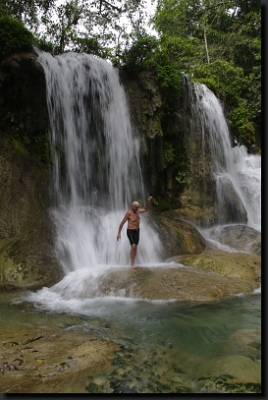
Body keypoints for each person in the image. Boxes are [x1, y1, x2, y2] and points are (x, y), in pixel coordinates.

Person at [117, 196, 153, 269]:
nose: (137, 209)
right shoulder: (129, 213)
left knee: (135, 247)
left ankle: (133, 261)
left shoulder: (138, 211)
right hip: (130, 231)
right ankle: (132, 263)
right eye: (136, 207)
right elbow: (122, 223)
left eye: (138, 207)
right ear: (133, 206)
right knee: (133, 246)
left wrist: (148, 201)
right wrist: (119, 233)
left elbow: (145, 209)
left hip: (137, 231)